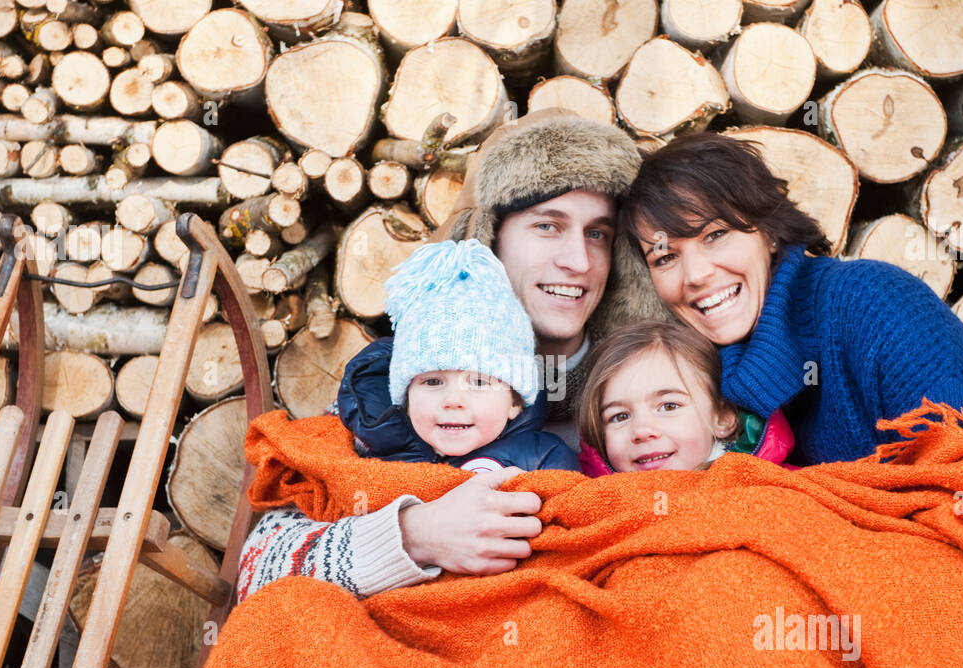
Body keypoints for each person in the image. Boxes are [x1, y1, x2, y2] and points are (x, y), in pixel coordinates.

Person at [616, 131, 963, 627]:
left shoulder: (869, 302)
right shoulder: (719, 380)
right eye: (664, 256)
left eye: (714, 235)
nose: (695, 275)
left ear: (767, 231)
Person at [236, 111, 673, 602]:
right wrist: (415, 535)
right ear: (489, 237)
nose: (578, 261)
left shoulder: (655, 391)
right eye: (548, 226)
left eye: (598, 233)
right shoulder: (404, 382)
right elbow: (257, 571)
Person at [337, 239, 579, 472]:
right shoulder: (369, 453)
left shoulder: (540, 460)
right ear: (406, 399)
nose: (453, 400)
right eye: (432, 381)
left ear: (514, 402)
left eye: (478, 382)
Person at [576, 319, 794, 474]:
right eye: (620, 416)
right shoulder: (587, 506)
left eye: (669, 406)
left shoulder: (782, 488)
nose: (641, 431)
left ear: (723, 417)